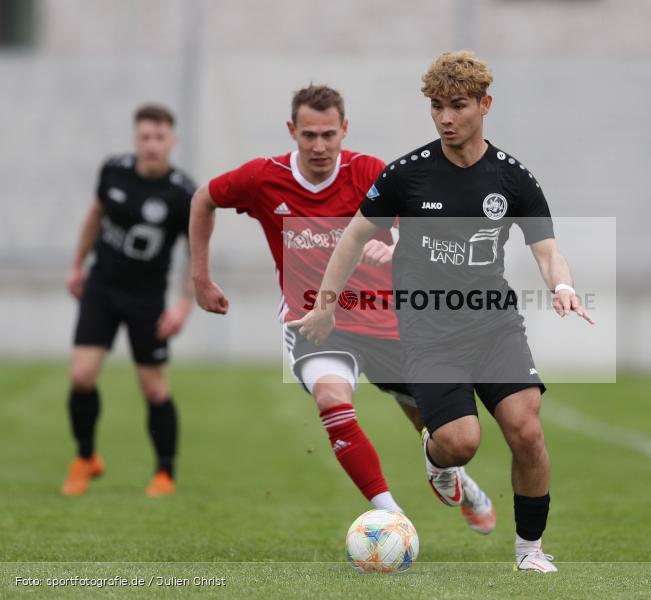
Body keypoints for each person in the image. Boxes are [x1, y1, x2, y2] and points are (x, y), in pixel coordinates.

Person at [294, 51, 594, 572]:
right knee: (461, 443)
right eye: (437, 107)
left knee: (526, 429)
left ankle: (530, 552)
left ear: (485, 104)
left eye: (458, 106)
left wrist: (563, 284)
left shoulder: (512, 178)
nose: (446, 118)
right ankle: (439, 461)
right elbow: (351, 240)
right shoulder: (408, 174)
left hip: (495, 323)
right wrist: (324, 308)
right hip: (429, 331)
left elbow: (546, 249)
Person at [189, 84, 495, 532]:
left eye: (328, 135)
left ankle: (449, 472)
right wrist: (200, 277)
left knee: (448, 436)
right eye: (309, 135)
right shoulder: (262, 178)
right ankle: (392, 517)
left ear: (344, 130)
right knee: (333, 398)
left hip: (390, 321)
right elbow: (204, 198)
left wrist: (400, 249)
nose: (319, 146)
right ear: (292, 131)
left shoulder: (370, 172)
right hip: (316, 323)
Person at [63, 104, 195, 497]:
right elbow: (94, 216)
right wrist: (76, 265)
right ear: (135, 139)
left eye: (159, 138)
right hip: (101, 288)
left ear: (172, 141)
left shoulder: (183, 193)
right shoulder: (113, 170)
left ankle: (164, 473)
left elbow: (194, 251)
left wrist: (183, 305)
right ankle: (86, 458)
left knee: (154, 389)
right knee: (81, 376)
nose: (152, 145)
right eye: (145, 137)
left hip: (146, 299)